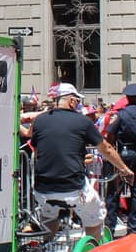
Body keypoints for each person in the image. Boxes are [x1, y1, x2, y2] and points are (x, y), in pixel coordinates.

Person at [28, 83, 129, 241]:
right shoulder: (82, 122)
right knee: (97, 215)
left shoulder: (40, 121)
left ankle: (45, 249)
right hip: (72, 187)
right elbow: (106, 149)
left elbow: (36, 148)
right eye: (77, 101)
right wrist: (124, 169)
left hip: (43, 188)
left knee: (50, 216)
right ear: (71, 101)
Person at [102, 83, 136, 235]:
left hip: (123, 155)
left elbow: (110, 134)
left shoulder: (122, 114)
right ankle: (133, 227)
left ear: (127, 98)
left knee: (114, 191)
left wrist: (112, 152)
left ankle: (110, 228)